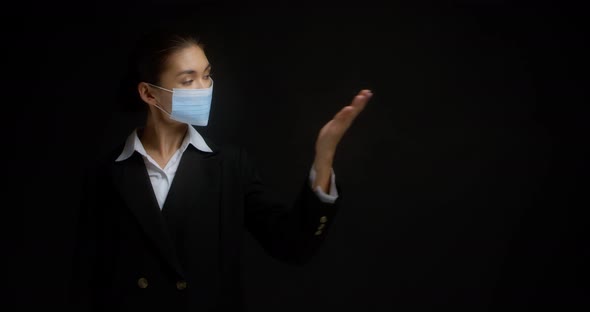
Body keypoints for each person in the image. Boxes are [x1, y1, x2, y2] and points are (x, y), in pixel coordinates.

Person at [69, 25, 373, 312]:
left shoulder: (230, 166)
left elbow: (293, 246)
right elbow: (87, 279)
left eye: (207, 75)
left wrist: (324, 155)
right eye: (188, 80)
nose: (203, 88)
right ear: (149, 94)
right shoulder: (107, 173)